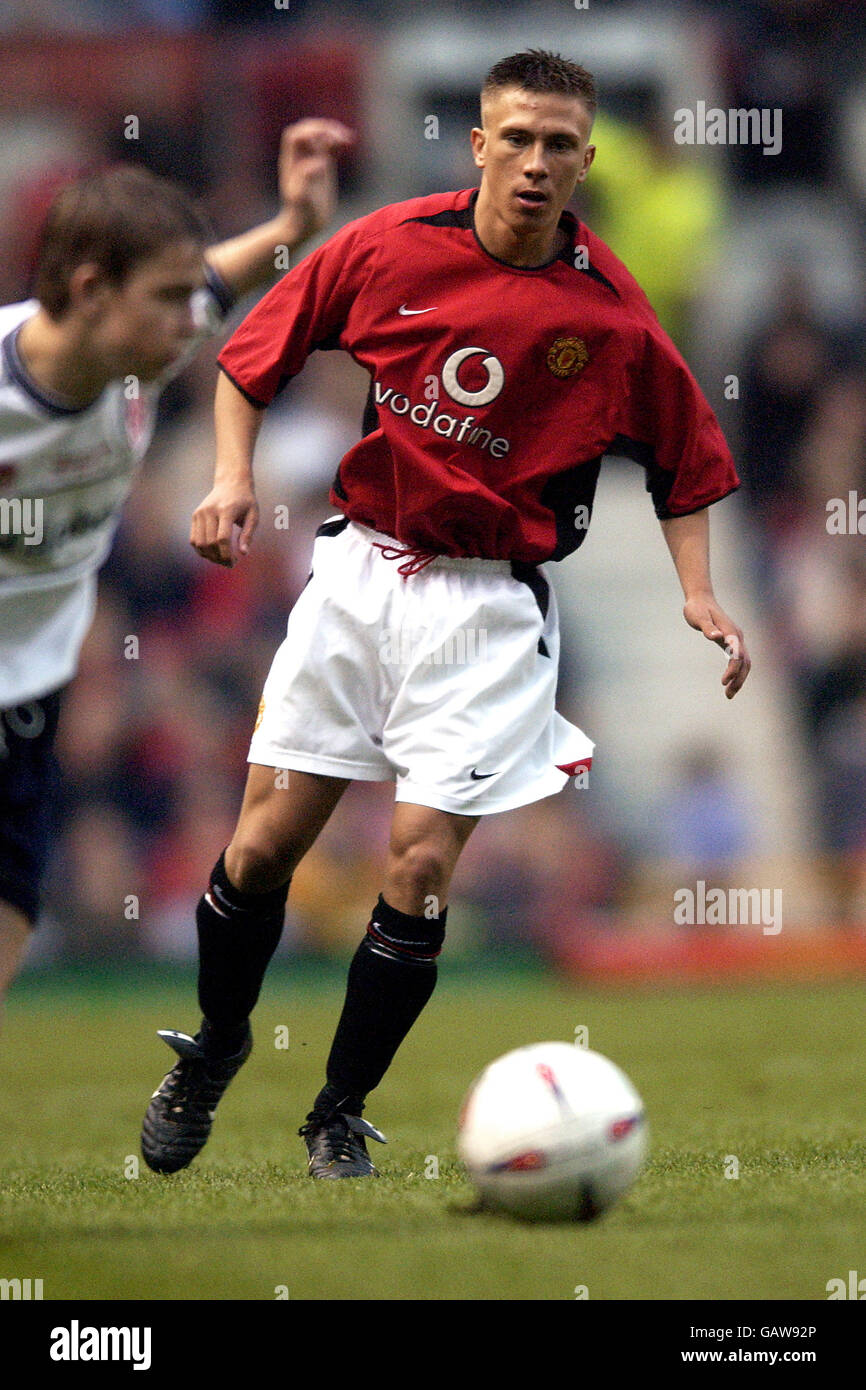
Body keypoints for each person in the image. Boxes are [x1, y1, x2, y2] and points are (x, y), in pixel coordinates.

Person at [140, 50, 751, 1181]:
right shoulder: (385, 245)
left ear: (584, 160)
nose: (533, 162)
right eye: (513, 138)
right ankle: (216, 1046)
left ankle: (336, 1109)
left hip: (488, 609)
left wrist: (697, 591)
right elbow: (249, 358)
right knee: (262, 848)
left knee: (417, 866)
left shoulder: (608, 312)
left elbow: (686, 457)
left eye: (557, 143)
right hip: (359, 576)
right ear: (477, 145)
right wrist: (230, 478)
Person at [0, 118, 354, 1023]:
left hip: (26, 687)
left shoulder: (138, 343)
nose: (190, 321)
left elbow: (211, 278)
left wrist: (291, 226)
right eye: (165, 301)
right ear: (88, 290)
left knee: (10, 898)